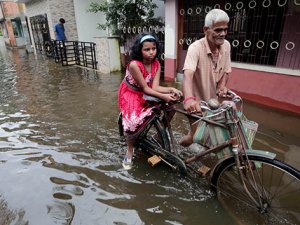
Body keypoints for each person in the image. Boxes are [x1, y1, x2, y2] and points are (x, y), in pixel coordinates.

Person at [118, 33, 182, 170]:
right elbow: (146, 89)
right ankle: (129, 150)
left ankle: (159, 134)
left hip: (146, 91)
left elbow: (156, 87)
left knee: (171, 106)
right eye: (147, 49)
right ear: (140, 50)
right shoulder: (134, 65)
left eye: (153, 48)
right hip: (131, 93)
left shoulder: (157, 64)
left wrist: (171, 89)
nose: (151, 52)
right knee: (132, 122)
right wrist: (164, 96)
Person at [180, 9, 232, 147]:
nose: (223, 34)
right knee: (196, 137)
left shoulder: (226, 46)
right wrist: (189, 100)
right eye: (218, 30)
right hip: (196, 104)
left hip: (214, 103)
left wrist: (222, 86)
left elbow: (226, 70)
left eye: (225, 30)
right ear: (206, 30)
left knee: (216, 136)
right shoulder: (195, 48)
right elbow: (188, 74)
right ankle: (177, 151)